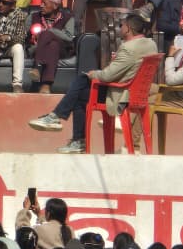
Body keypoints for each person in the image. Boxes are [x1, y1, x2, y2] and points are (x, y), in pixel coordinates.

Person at [28, 12, 158, 153]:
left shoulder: (128, 48)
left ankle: (59, 120)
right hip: (135, 91)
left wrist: (93, 74)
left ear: (128, 29)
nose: (120, 28)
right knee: (81, 90)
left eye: (122, 25)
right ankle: (66, 129)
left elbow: (107, 76)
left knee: (82, 82)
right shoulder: (151, 45)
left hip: (120, 94)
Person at [30, 0, 75, 94]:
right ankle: (46, 85)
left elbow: (69, 37)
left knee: (48, 35)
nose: (41, 5)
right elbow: (24, 35)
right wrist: (33, 37)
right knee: (53, 46)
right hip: (36, 48)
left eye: (44, 3)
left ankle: (37, 66)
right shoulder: (34, 16)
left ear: (55, 6)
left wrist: (50, 31)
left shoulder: (68, 18)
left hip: (62, 50)